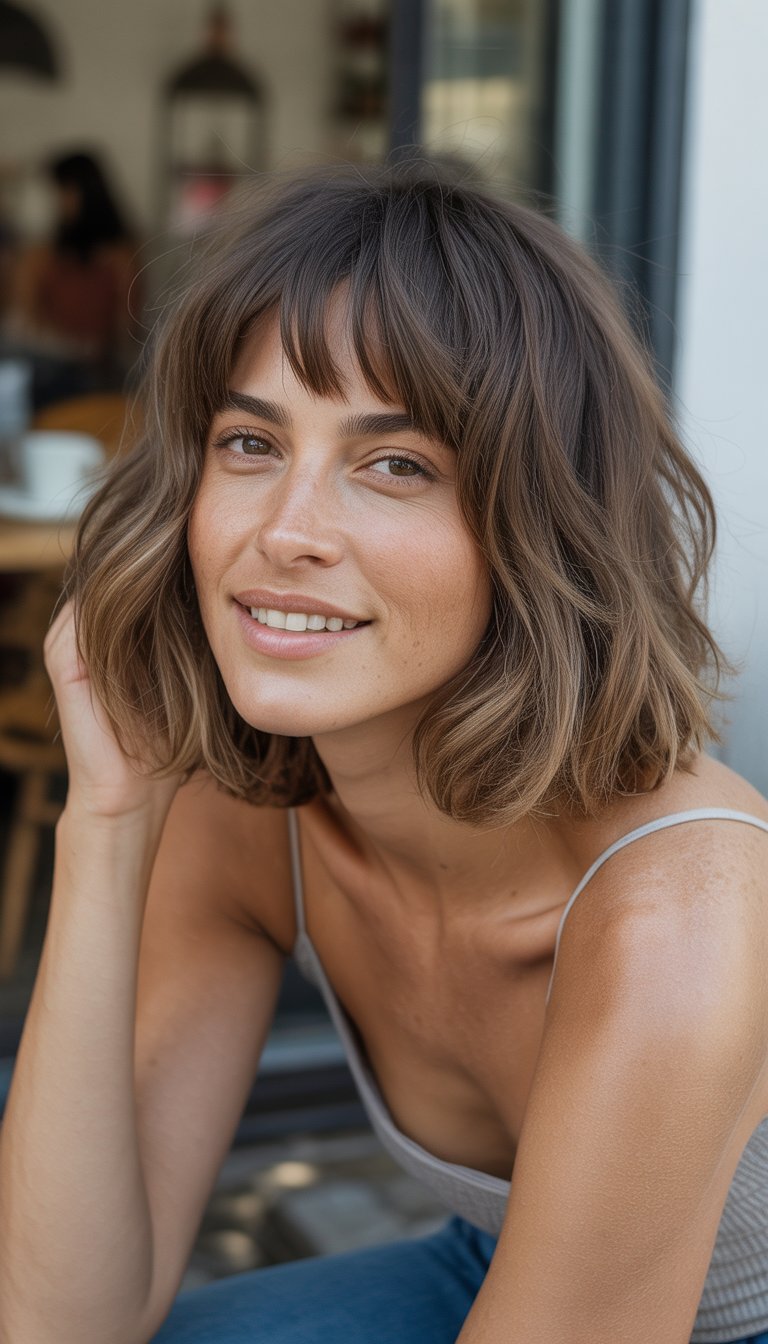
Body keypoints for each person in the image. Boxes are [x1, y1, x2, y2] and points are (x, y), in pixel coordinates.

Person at [0, 160, 766, 1344]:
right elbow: (59, 1318)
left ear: (535, 523)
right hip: (505, 1269)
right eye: (250, 443)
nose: (285, 531)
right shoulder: (248, 823)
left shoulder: (683, 913)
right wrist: (105, 826)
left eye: (395, 464)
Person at [4, 149, 140, 406]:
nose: (58, 202)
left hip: (98, 374)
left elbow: (128, 328)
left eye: (63, 192)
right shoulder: (41, 255)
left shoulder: (121, 255)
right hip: (49, 367)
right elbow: (23, 322)